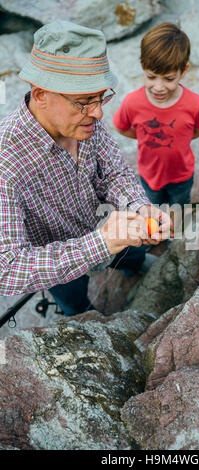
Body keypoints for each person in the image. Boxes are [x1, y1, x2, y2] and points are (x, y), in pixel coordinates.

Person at [0, 20, 172, 317]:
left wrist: (140, 207)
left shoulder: (83, 118)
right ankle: (83, 315)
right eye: (83, 101)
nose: (98, 112)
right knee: (75, 303)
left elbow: (115, 173)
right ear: (41, 94)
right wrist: (101, 243)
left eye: (100, 97)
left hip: (108, 224)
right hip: (62, 265)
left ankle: (134, 264)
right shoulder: (5, 164)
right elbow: (9, 267)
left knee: (132, 251)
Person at [113, 22, 199, 207]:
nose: (158, 87)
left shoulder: (195, 104)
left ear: (183, 71)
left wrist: (181, 137)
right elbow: (121, 127)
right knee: (153, 208)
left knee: (179, 206)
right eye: (151, 77)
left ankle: (176, 228)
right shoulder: (132, 102)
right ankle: (160, 234)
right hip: (148, 176)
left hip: (182, 175)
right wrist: (144, 135)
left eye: (169, 79)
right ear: (142, 67)